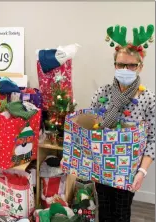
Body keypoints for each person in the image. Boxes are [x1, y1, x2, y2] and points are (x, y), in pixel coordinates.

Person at [90, 25, 155, 222]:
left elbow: (153, 139)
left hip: (129, 170)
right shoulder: (102, 94)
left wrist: (142, 172)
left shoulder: (148, 99)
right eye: (120, 65)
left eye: (131, 66)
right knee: (105, 211)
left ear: (140, 66)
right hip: (102, 167)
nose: (125, 70)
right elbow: (91, 131)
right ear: (115, 65)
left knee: (121, 214)